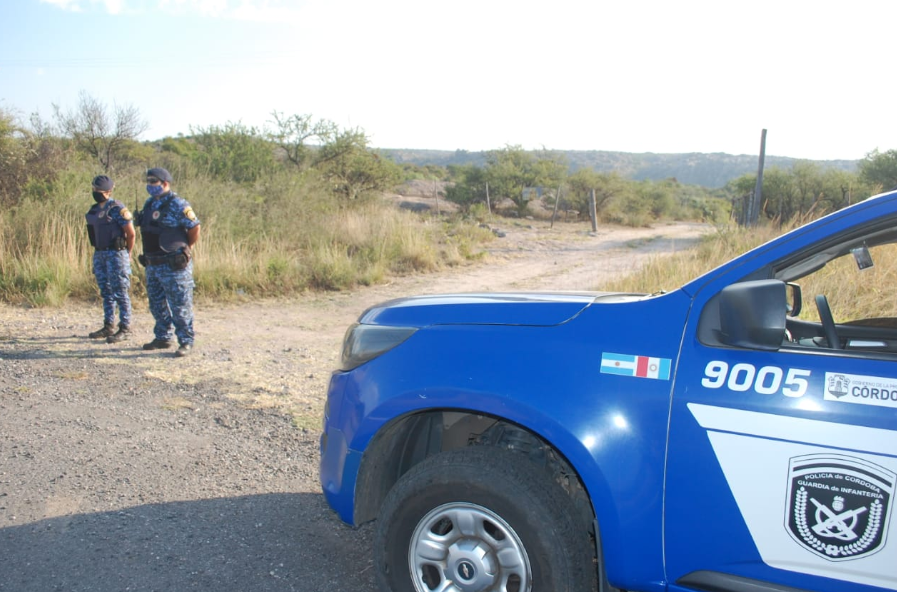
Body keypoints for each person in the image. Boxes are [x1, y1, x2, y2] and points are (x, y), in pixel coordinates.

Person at [136, 167, 201, 357]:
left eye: (154, 182)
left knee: (180, 305)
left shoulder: (178, 204)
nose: (150, 185)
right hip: (153, 263)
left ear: (165, 183)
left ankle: (186, 341)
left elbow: (194, 227)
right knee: (156, 304)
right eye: (148, 182)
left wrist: (186, 247)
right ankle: (163, 337)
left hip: (173, 264)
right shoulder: (149, 204)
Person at [85, 175, 135, 343]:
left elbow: (131, 233)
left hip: (116, 253)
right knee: (106, 292)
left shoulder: (117, 208)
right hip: (100, 254)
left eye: (98, 191)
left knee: (120, 291)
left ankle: (125, 327)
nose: (95, 193)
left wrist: (127, 253)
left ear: (108, 192)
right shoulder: (94, 210)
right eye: (94, 190)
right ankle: (108, 326)